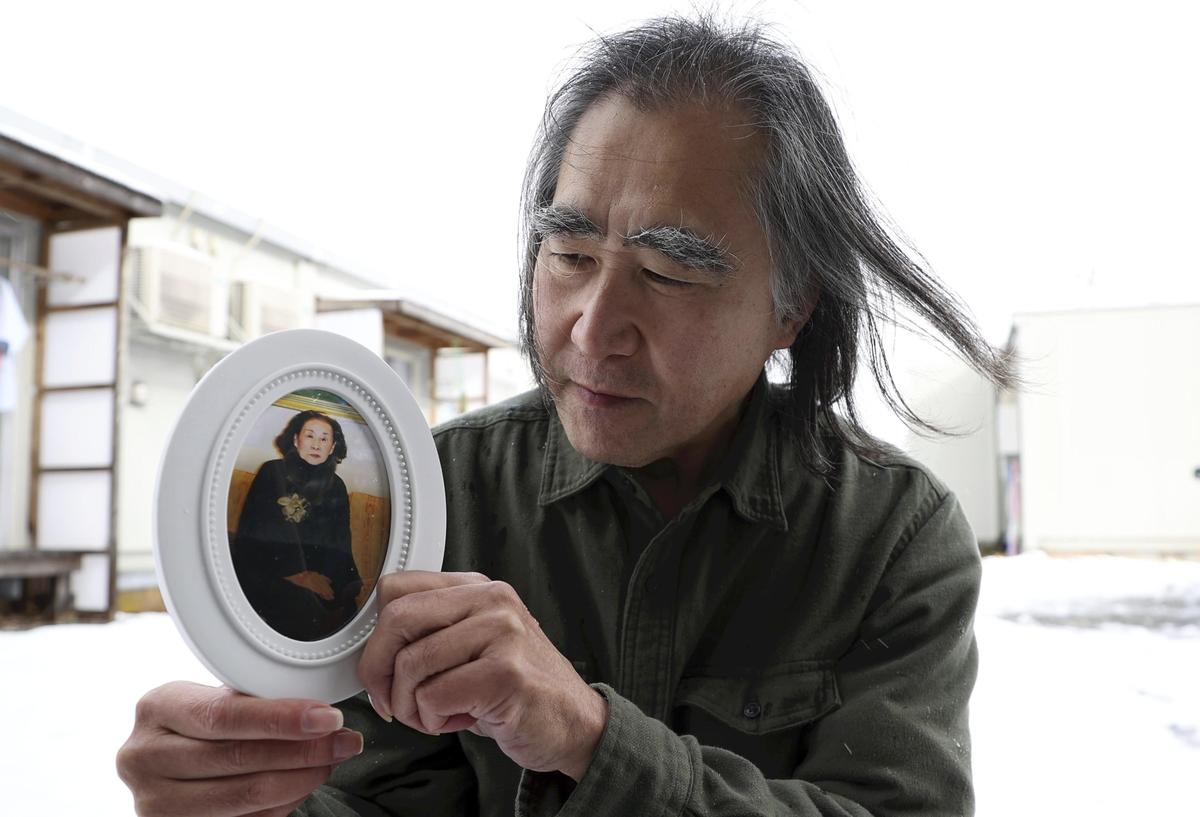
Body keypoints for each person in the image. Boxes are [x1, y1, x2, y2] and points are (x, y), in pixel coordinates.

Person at [117, 16, 1014, 817]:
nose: (592, 328)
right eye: (570, 253)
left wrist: (587, 736)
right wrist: (249, 803)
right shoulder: (431, 497)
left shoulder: (889, 538)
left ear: (793, 305)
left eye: (667, 272)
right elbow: (378, 797)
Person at [230, 410, 363, 641]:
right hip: (269, 570)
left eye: (324, 439)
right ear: (295, 440)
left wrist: (333, 579)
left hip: (320, 576)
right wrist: (300, 576)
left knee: (346, 609)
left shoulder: (337, 486)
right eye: (310, 436)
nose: (316, 444)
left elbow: (340, 541)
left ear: (332, 447)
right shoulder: (272, 472)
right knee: (300, 606)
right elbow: (256, 533)